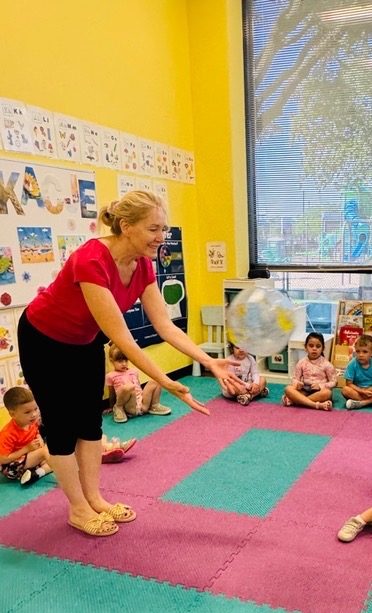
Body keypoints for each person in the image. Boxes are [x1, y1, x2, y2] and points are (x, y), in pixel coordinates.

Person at [16, 190, 246, 537]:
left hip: (84, 340)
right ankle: (78, 508)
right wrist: (165, 381)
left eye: (163, 228)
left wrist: (208, 361)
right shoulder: (91, 259)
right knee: (62, 427)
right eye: (154, 229)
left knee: (89, 421)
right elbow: (123, 339)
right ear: (126, 226)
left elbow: (165, 325)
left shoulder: (142, 265)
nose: (161, 237)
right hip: (44, 339)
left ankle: (94, 498)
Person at [0, 386, 53, 486]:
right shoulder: (8, 433)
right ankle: (63, 476)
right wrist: (26, 448)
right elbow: (3, 459)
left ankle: (36, 474)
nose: (34, 414)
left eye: (35, 409)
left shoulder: (32, 422)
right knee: (46, 452)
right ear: (13, 414)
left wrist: (39, 439)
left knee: (52, 454)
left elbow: (36, 434)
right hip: (10, 468)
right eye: (27, 412)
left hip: (27, 460)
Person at [106, 342, 172, 422]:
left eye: (126, 360)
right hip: (130, 407)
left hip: (143, 405)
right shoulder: (110, 376)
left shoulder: (134, 371)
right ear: (111, 361)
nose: (124, 364)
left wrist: (143, 400)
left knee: (157, 379)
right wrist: (111, 407)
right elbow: (112, 394)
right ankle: (118, 408)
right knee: (129, 386)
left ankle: (154, 405)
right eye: (120, 361)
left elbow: (138, 387)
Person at [282, 332, 337, 411]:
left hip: (319, 392)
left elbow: (334, 382)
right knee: (288, 389)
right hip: (305, 389)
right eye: (311, 346)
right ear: (305, 347)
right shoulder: (301, 362)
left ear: (323, 348)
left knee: (327, 393)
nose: (314, 349)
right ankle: (316, 405)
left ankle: (297, 401)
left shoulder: (327, 364)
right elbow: (295, 378)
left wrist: (320, 386)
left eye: (318, 346)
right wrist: (298, 384)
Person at [342, 334, 372, 409]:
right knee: (345, 390)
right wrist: (362, 391)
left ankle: (362, 403)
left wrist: (369, 390)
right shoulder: (352, 364)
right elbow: (349, 384)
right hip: (357, 391)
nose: (361, 355)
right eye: (358, 351)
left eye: (365, 352)